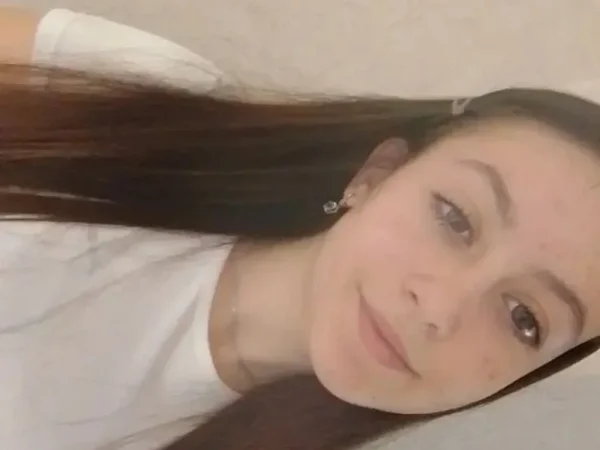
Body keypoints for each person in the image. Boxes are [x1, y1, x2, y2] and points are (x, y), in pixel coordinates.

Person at [2, 6, 600, 450]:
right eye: (455, 218)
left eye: (525, 319)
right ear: (375, 175)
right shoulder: (153, 108)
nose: (440, 308)